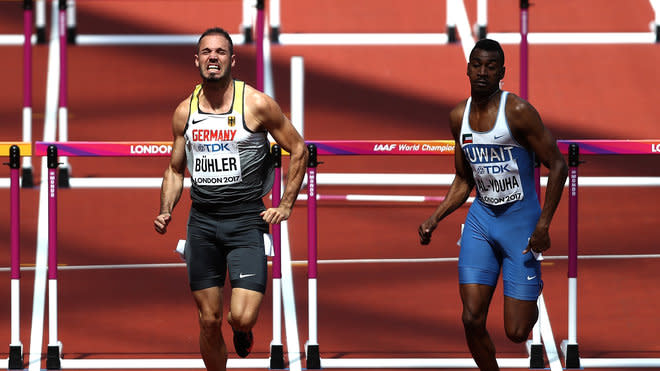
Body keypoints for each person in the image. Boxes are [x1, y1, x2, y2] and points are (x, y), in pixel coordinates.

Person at [153, 27, 308, 371]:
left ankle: (242, 331)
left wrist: (285, 204)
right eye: (207, 52)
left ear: (232, 60)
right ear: (196, 60)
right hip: (203, 223)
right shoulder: (184, 112)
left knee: (241, 316)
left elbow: (298, 148)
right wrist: (166, 210)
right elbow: (175, 170)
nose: (213, 57)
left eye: (220, 52)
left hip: (245, 221)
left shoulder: (256, 104)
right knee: (208, 320)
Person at [418, 39, 568, 371]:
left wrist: (543, 226)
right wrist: (436, 217)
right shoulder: (459, 116)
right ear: (467, 68)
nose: (482, 72)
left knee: (517, 332)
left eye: (490, 67)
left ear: (501, 72)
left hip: (521, 225)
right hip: (482, 221)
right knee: (471, 318)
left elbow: (557, 164)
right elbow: (463, 179)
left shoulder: (516, 111)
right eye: (477, 65)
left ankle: (529, 293)